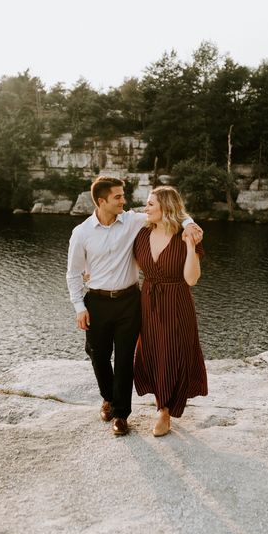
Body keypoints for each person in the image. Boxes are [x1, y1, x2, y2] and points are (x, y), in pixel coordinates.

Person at [66, 176, 203, 436]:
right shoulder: (81, 233)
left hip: (130, 301)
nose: (125, 201)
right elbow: (73, 273)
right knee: (98, 355)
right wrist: (78, 307)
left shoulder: (131, 221)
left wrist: (190, 223)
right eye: (118, 197)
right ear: (101, 201)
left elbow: (172, 212)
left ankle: (121, 414)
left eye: (123, 196)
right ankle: (107, 398)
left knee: (126, 359)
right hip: (96, 301)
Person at [133, 185, 208, 437]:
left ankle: (165, 411)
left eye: (150, 204)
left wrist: (189, 247)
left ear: (165, 207)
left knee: (173, 351)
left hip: (177, 300)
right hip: (148, 300)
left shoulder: (185, 236)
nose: (146, 208)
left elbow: (192, 279)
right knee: (153, 350)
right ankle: (160, 403)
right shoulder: (141, 233)